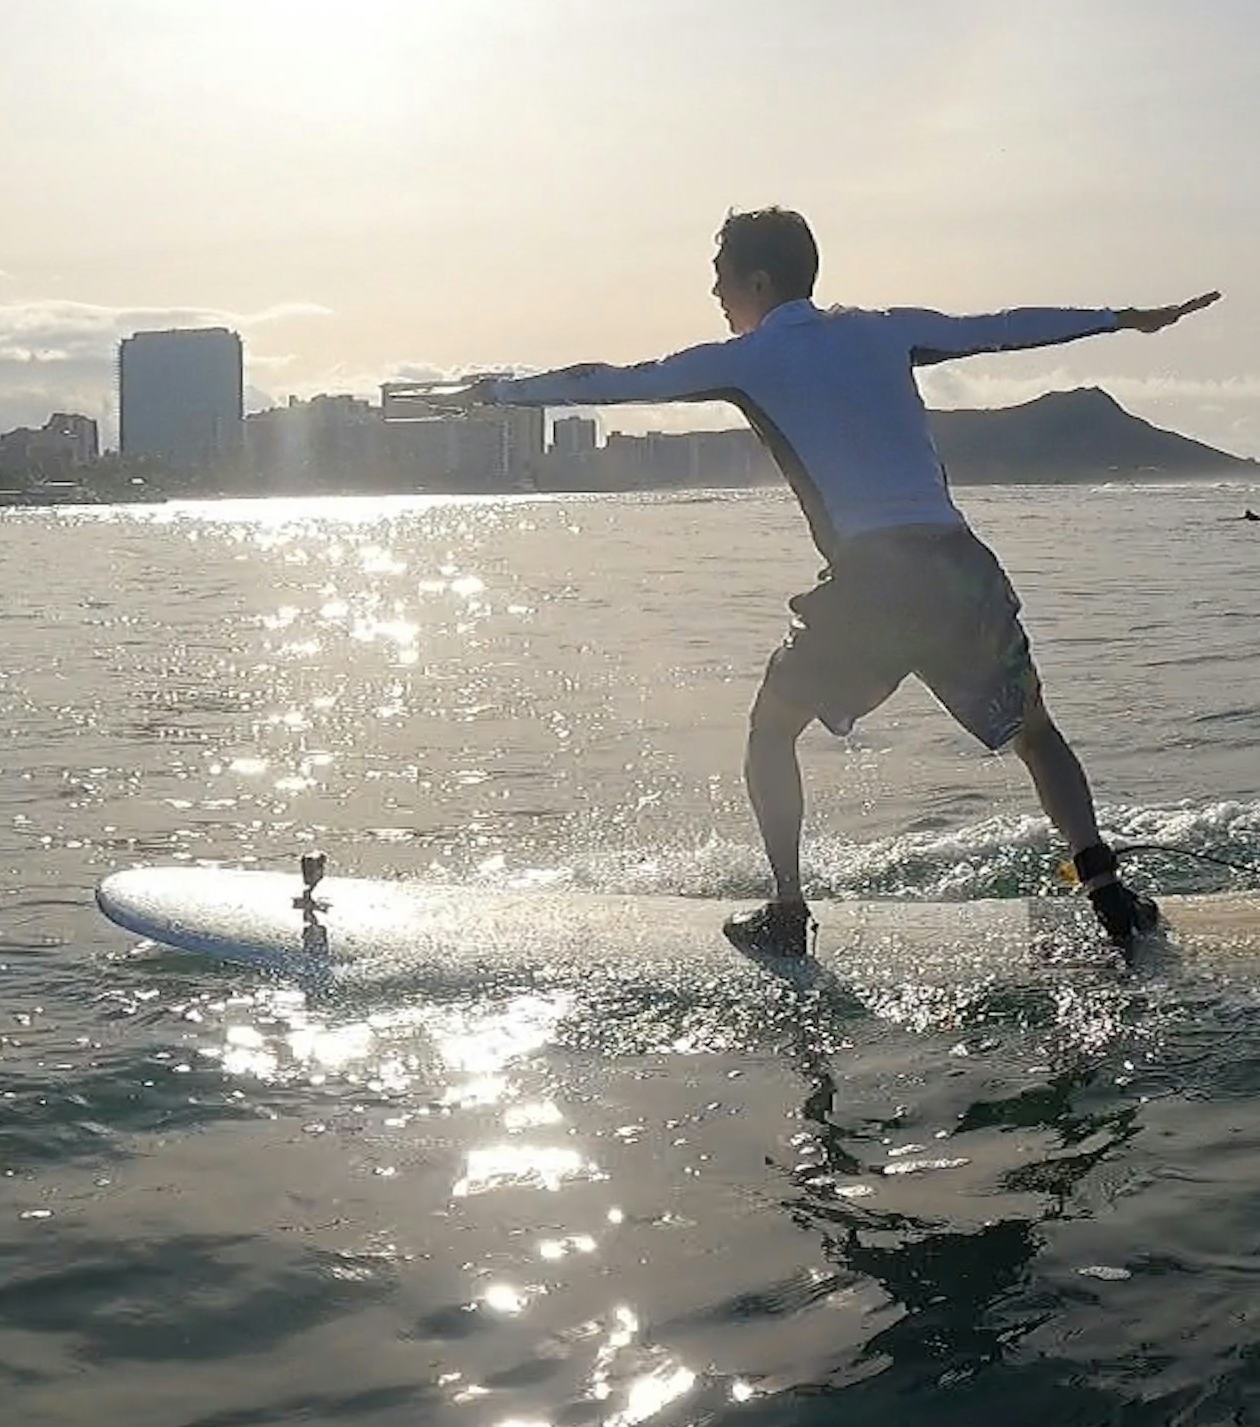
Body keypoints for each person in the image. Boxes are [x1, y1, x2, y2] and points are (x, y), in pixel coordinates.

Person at [462, 207, 1218, 958]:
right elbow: (1005, 324)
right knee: (1036, 734)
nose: (717, 296)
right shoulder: (883, 330)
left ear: (759, 279)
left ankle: (788, 912)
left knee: (771, 730)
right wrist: (1124, 319)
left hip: (871, 584)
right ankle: (1108, 896)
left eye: (721, 280)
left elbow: (615, 383)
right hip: (958, 568)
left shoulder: (748, 357)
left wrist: (496, 392)